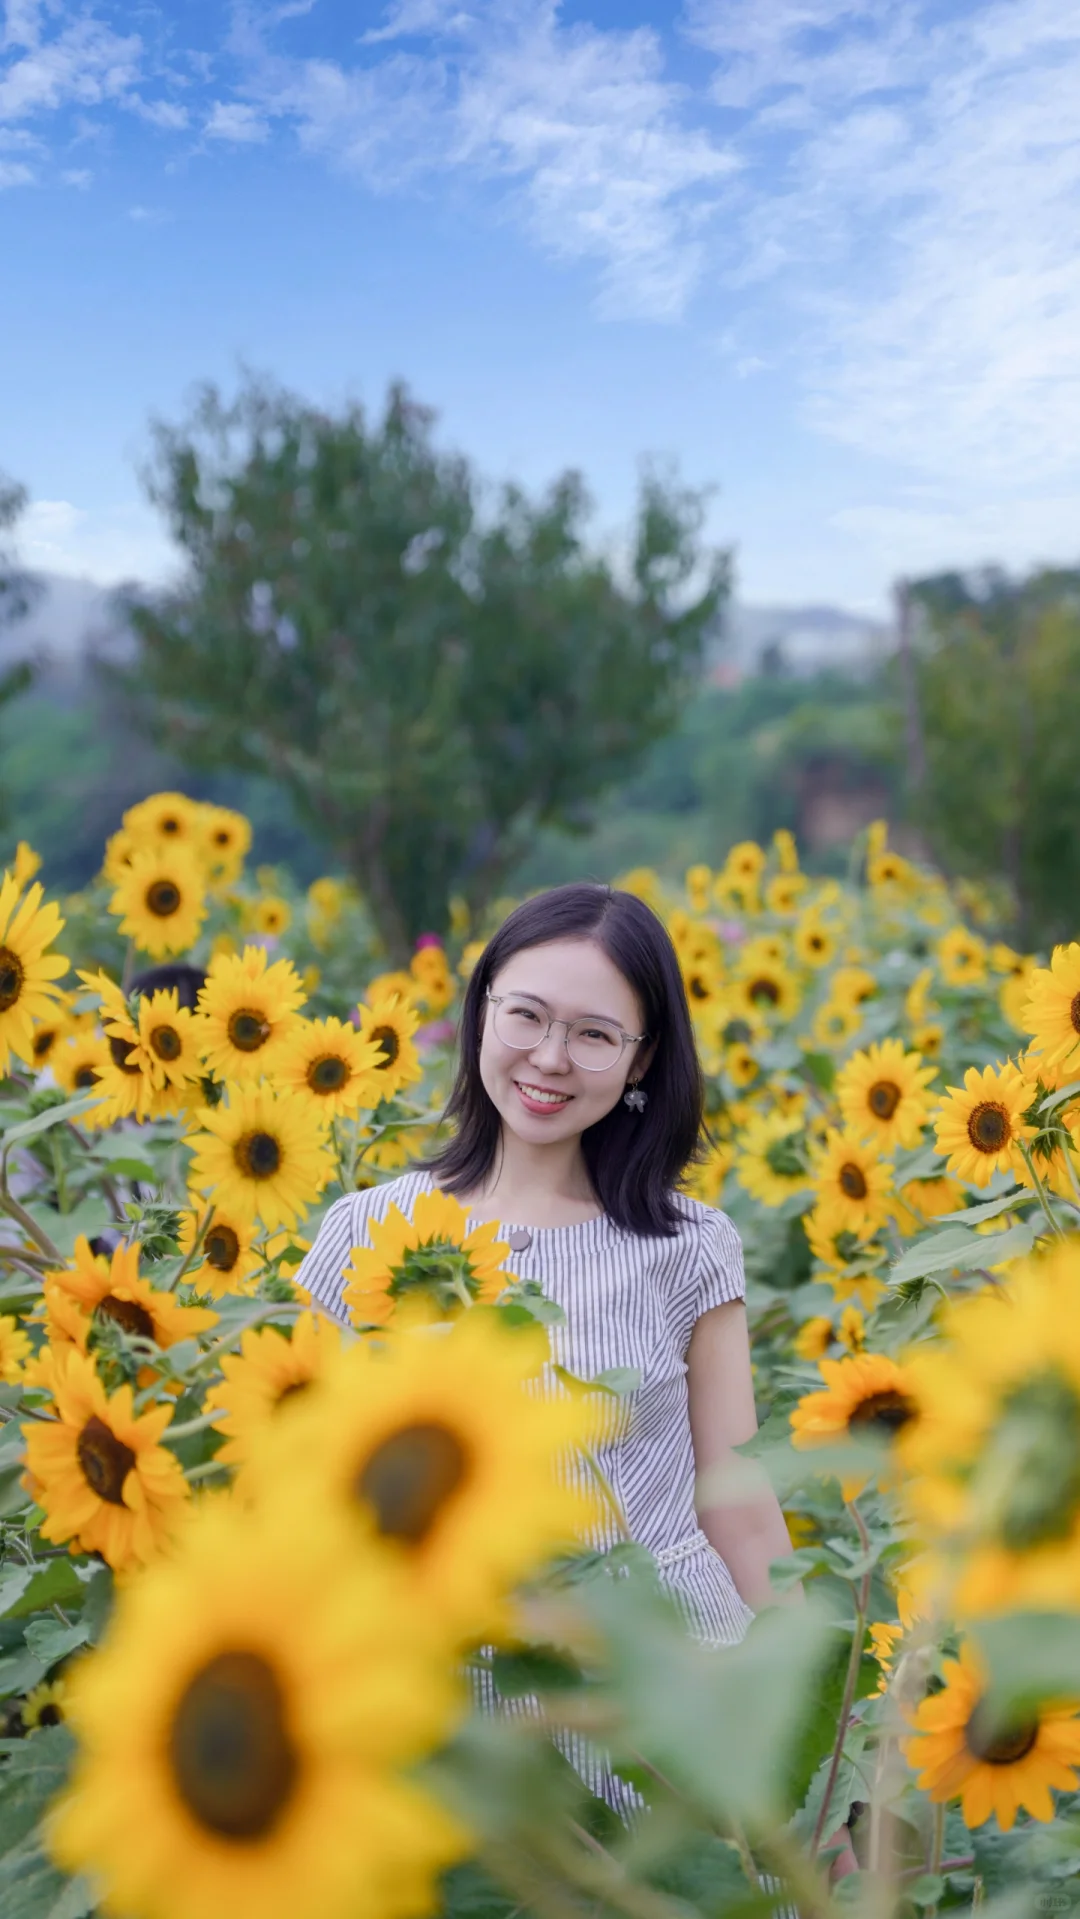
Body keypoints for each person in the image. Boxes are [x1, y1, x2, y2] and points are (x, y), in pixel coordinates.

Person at [295, 882, 858, 1878]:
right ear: (481, 1013)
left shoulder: (689, 1245)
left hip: (674, 1683)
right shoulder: (364, 1233)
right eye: (528, 1015)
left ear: (642, 1059)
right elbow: (304, 1501)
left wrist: (815, 1768)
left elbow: (736, 1503)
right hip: (459, 1702)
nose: (551, 1057)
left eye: (596, 1034)